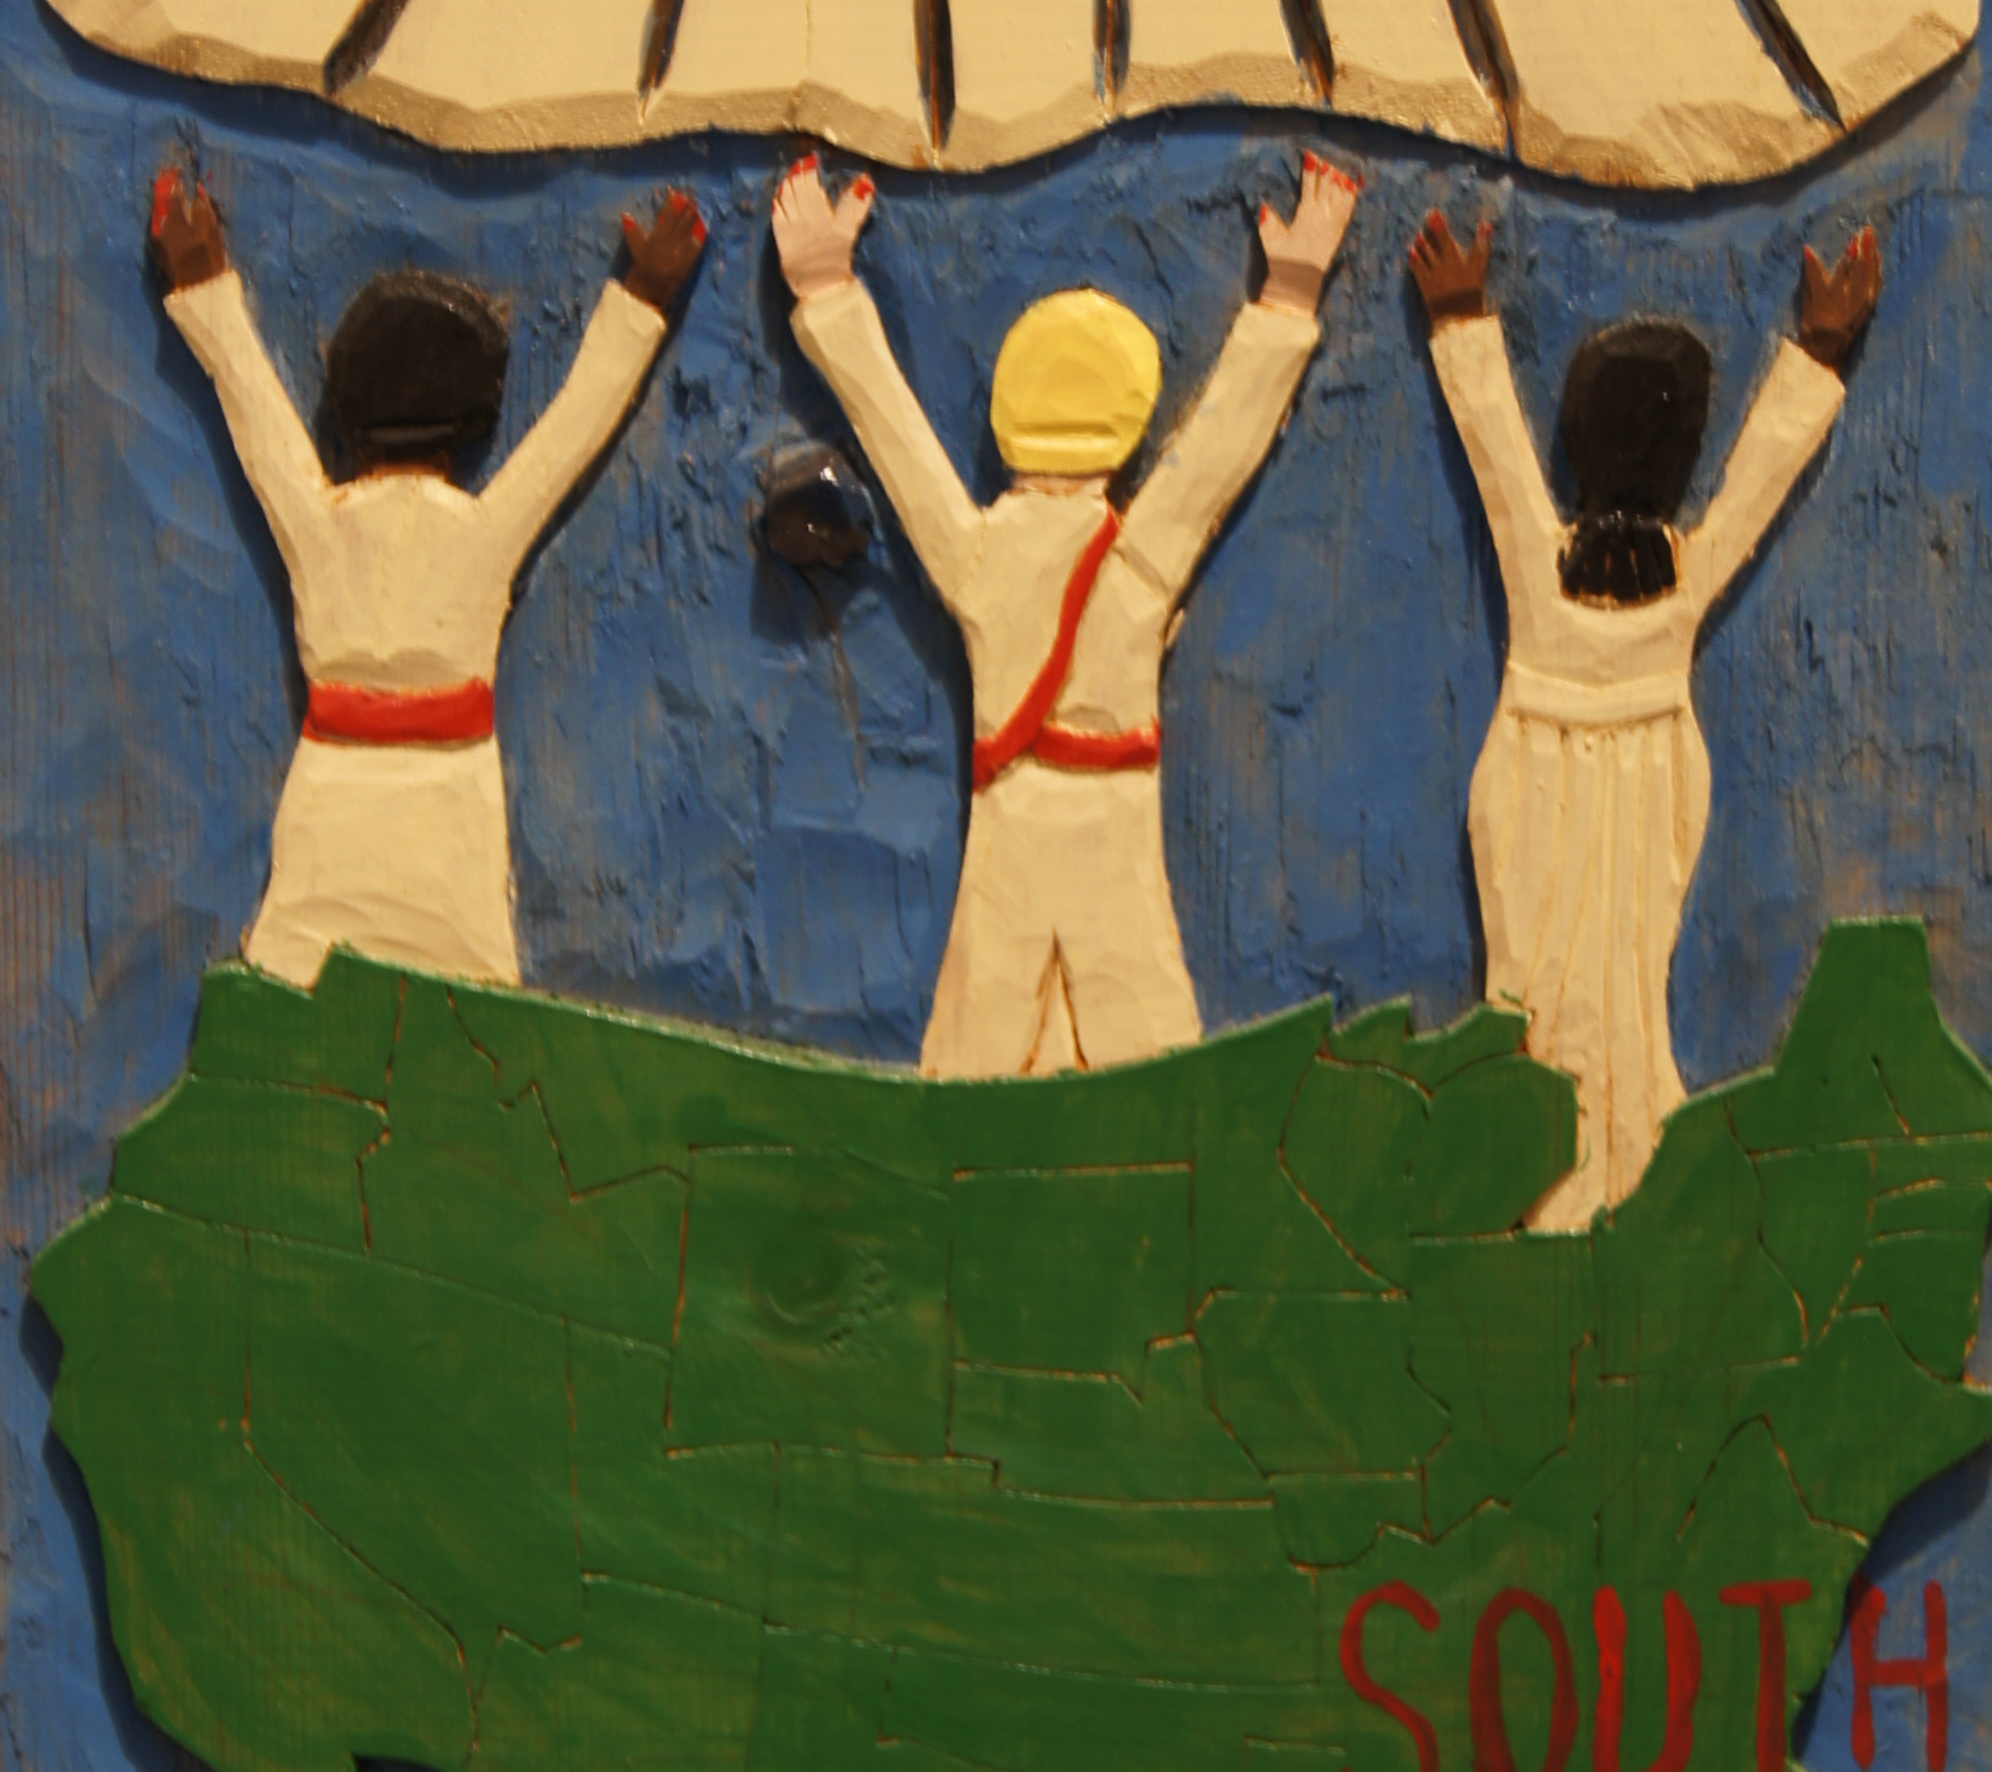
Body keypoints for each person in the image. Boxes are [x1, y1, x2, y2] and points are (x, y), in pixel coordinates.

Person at [770, 151, 1358, 1075]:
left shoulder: (977, 553)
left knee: (985, 1033)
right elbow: (1220, 445)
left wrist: (825, 287)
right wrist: (1290, 294)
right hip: (1111, 820)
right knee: (1143, 1034)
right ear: (1130, 424)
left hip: (1010, 815)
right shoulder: (1136, 557)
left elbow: (891, 431)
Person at [1405, 215, 1881, 1224]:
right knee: (1620, 992)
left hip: (1536, 767)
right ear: (1683, 455)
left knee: (1537, 991)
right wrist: (1821, 347)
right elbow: (1756, 485)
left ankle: (1548, 1201)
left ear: (1578, 438)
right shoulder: (1681, 580)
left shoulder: (1543, 568)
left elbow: (1497, 454)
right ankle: (1618, 1185)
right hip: (1647, 775)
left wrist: (1459, 315)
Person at [148, 164, 702, 992]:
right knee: (464, 1000)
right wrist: (645, 295)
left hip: (334, 794)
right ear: (472, 421)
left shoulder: (320, 522)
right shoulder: (482, 531)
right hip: (450, 804)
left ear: (344, 408)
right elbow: (579, 421)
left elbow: (249, 398)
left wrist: (201, 282)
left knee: (296, 978)